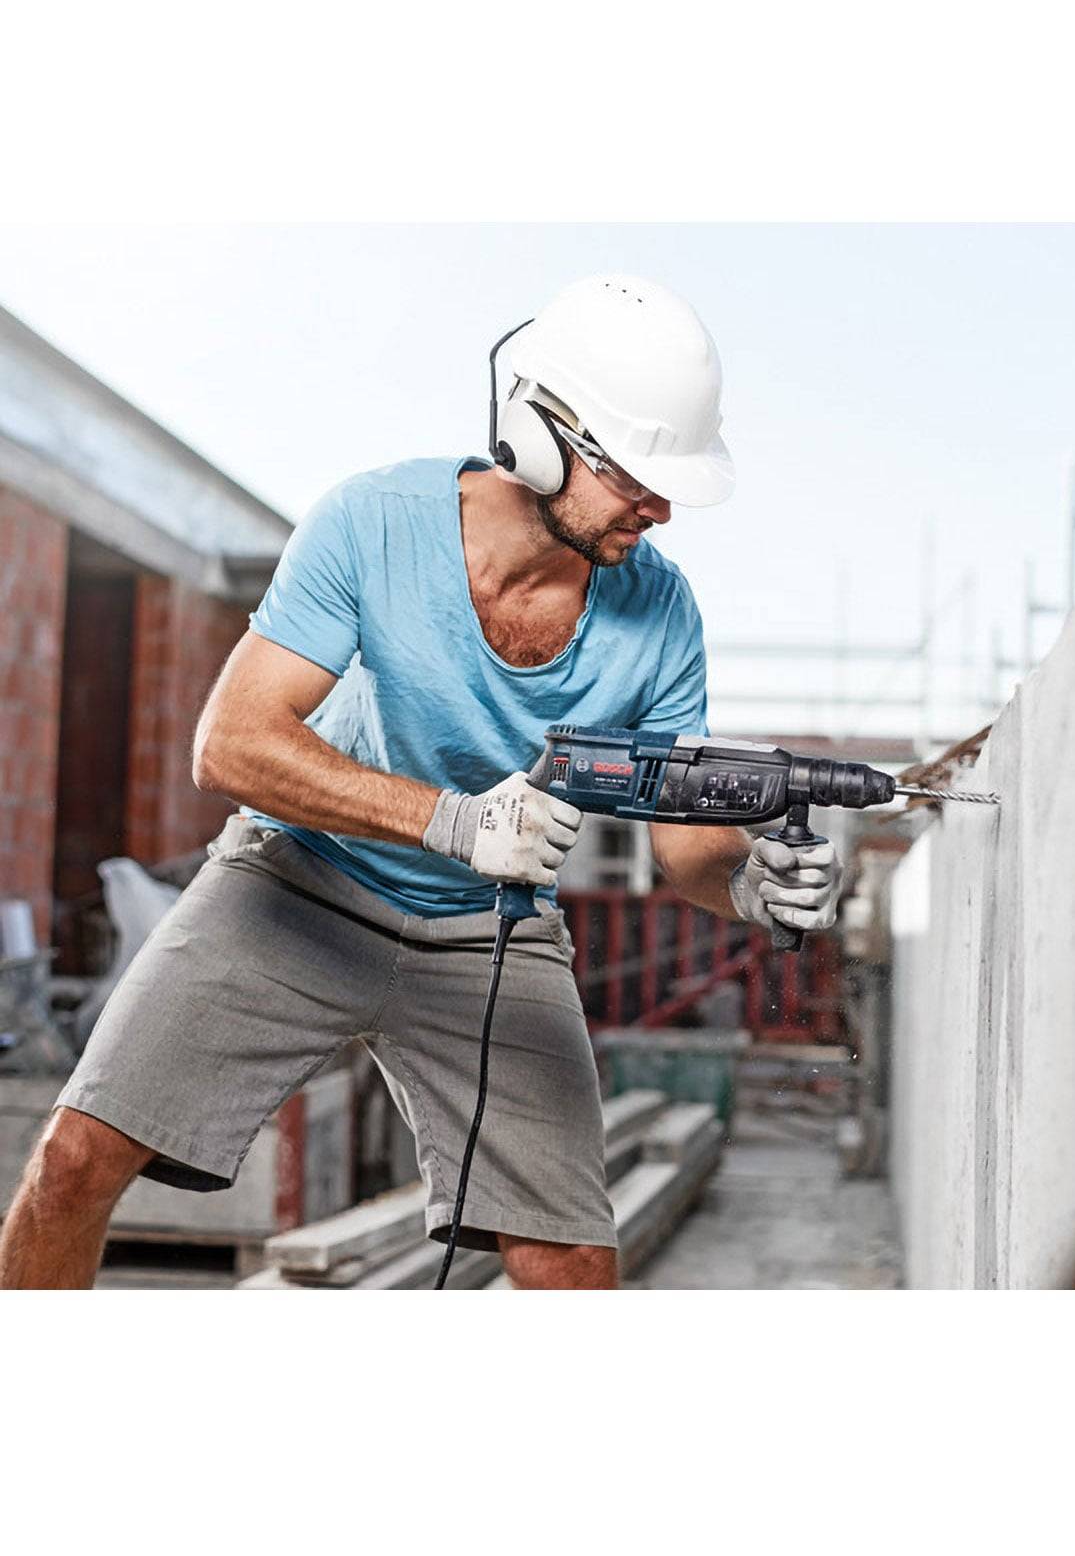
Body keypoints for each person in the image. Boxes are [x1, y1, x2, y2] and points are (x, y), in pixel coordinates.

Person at [0, 274, 842, 1290]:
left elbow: (681, 843)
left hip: (491, 936)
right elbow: (230, 743)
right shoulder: (371, 522)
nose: (660, 507)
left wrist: (748, 880)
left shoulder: (662, 614)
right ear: (540, 434)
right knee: (74, 1163)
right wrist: (448, 820)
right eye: (634, 476)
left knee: (571, 1258)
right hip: (293, 886)